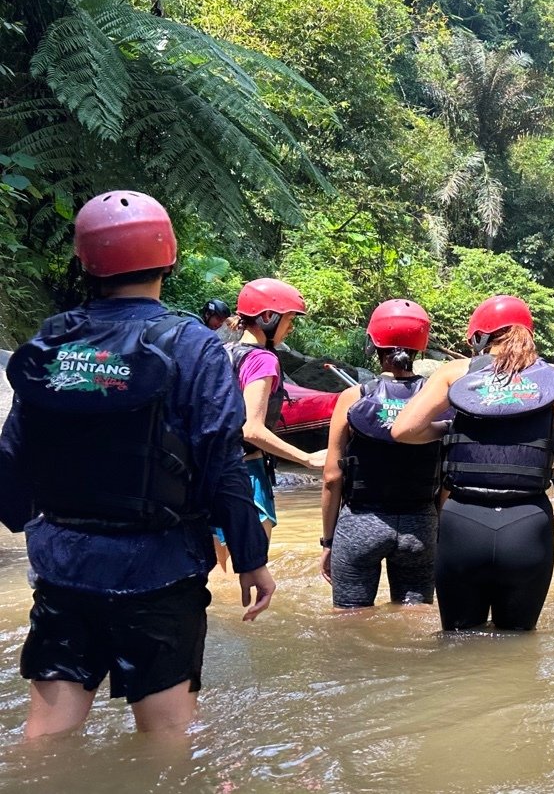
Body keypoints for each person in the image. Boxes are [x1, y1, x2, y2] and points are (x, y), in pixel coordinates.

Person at [0, 191, 274, 739]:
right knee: (166, 732)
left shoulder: (55, 339)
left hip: (63, 566)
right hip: (160, 568)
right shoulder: (194, 345)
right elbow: (222, 461)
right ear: (167, 257)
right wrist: (250, 558)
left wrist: (23, 522)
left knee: (48, 729)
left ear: (85, 262)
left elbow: (14, 450)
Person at [390, 295, 554, 631]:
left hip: (463, 521)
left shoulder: (455, 372)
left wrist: (449, 431)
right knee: (518, 645)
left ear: (479, 338)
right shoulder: (553, 378)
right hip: (528, 525)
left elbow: (402, 430)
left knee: (457, 642)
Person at [320, 300, 445, 609]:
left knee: (350, 628)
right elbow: (448, 476)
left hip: (361, 522)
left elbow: (332, 476)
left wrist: (328, 542)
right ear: (421, 346)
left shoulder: (352, 397)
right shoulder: (438, 400)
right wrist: (436, 529)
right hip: (420, 524)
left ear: (374, 344)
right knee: (413, 626)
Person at [214, 278, 325, 568]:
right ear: (268, 318)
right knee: (251, 572)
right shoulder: (263, 360)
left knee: (217, 574)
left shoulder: (222, 352)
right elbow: (251, 428)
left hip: (211, 471)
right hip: (246, 474)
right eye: (289, 319)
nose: (291, 327)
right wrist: (308, 459)